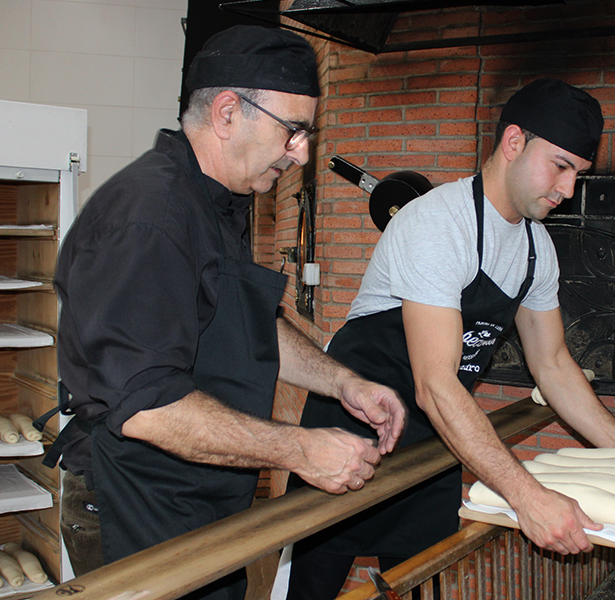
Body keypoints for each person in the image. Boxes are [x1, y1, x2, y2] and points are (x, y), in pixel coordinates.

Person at [48, 25, 406, 600]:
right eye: (294, 132)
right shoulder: (151, 217)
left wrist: (344, 383)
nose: (303, 154)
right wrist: (300, 449)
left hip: (196, 498)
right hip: (136, 502)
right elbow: (147, 408)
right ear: (227, 112)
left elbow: (245, 326)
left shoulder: (218, 200)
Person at [284, 78, 615, 599]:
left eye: (579, 173)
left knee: (422, 582)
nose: (569, 189)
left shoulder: (535, 248)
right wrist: (528, 497)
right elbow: (435, 384)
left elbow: (552, 365)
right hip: (348, 432)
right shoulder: (439, 224)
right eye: (560, 165)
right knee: (312, 585)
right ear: (512, 143)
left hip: (435, 442)